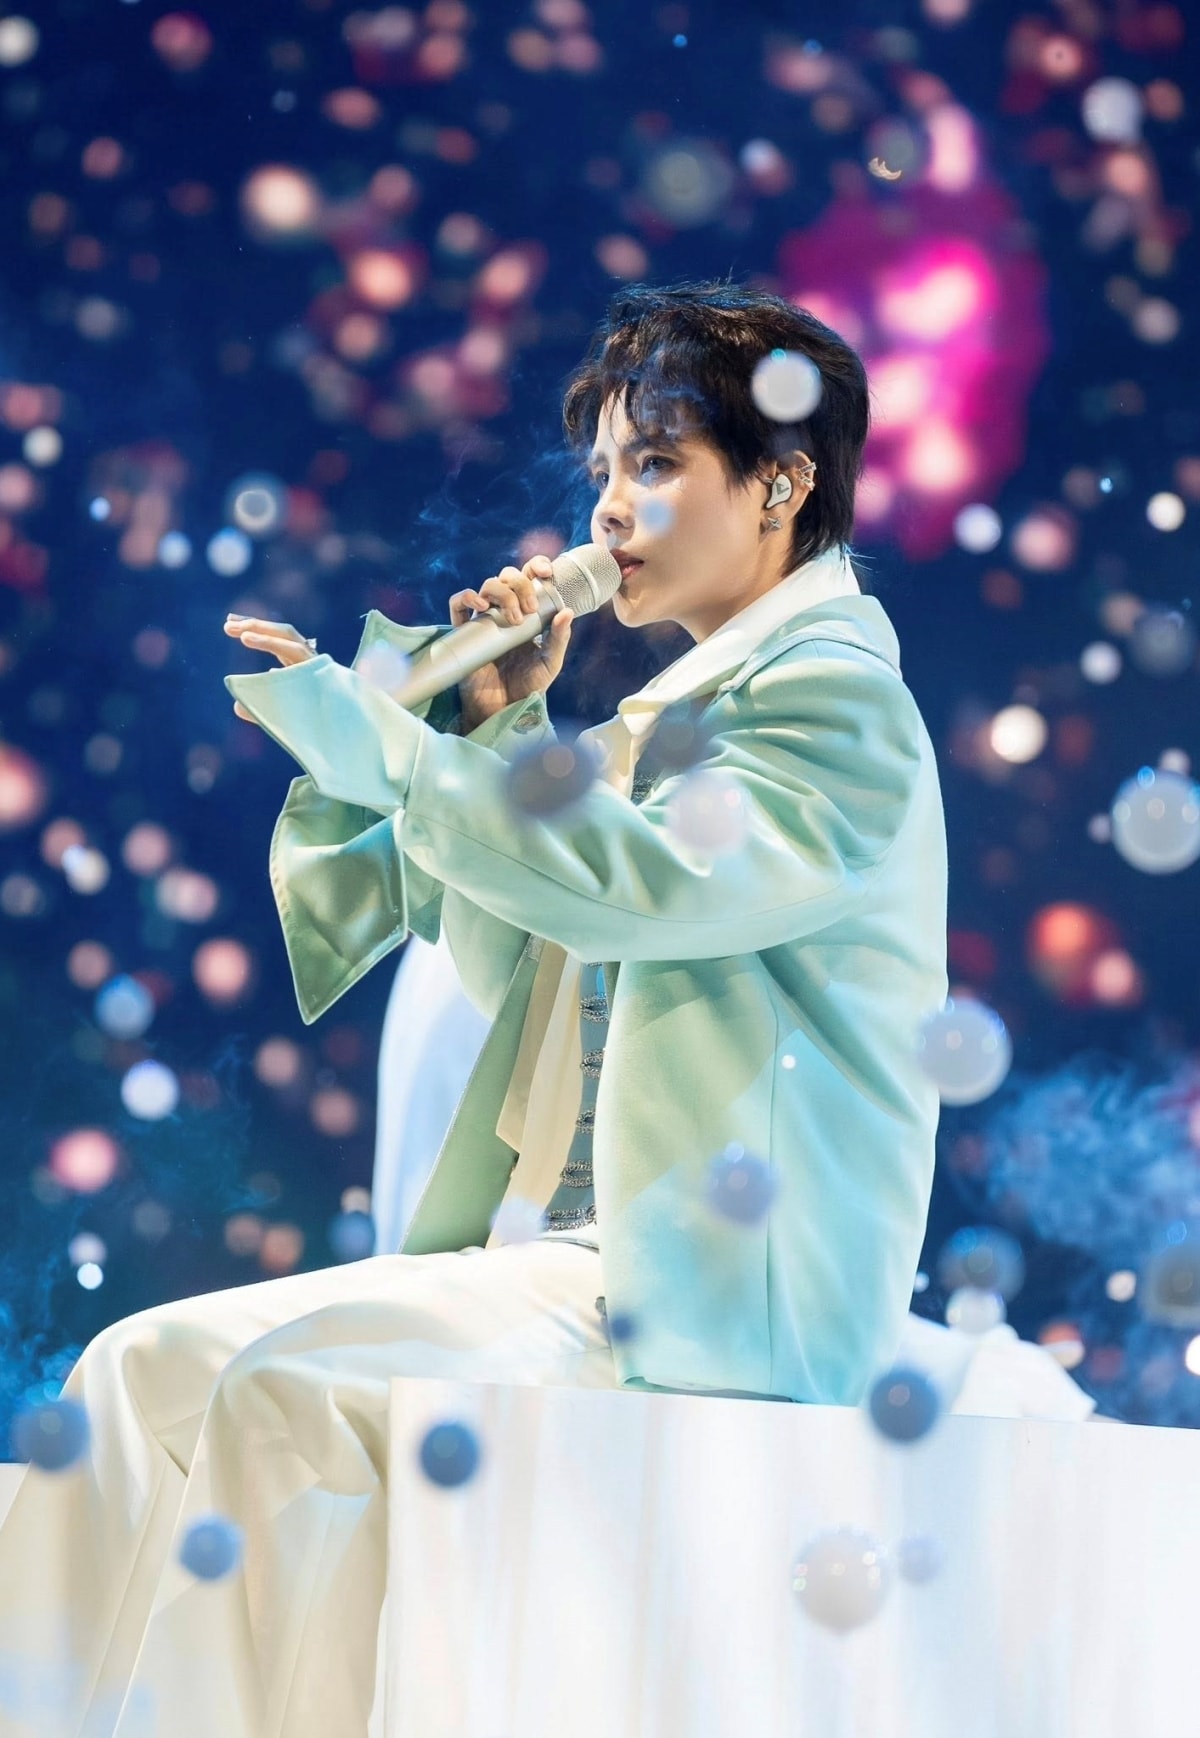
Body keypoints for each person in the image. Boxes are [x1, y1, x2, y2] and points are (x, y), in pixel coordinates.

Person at [0, 281, 949, 1738]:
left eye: (655, 463)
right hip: (571, 1259)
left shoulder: (835, 703)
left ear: (782, 481)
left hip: (709, 1291)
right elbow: (532, 970)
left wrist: (397, 750)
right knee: (139, 1368)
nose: (609, 510)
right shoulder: (689, 714)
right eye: (602, 471)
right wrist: (499, 722)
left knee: (279, 1402)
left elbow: (640, 891)